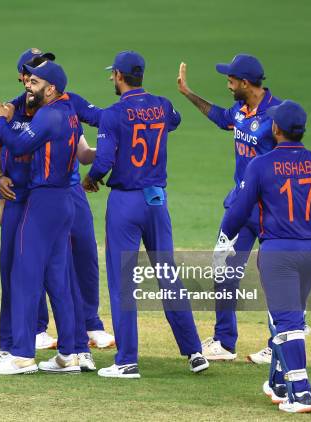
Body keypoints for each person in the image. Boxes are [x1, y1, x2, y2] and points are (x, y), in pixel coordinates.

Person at [214, 100, 311, 413]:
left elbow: (239, 209)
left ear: (276, 129)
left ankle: (301, 392)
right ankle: (279, 383)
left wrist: (225, 239)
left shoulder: (261, 165)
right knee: (286, 314)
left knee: (287, 320)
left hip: (278, 251)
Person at [83, 51, 209, 378]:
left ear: (121, 76)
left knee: (123, 282)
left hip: (126, 202)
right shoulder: (163, 105)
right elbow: (175, 121)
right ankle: (195, 352)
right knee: (168, 276)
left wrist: (91, 179)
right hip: (156, 201)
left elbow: (104, 161)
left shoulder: (113, 114)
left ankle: (127, 360)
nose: (112, 78)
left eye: (114, 74)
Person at [7, 51, 115, 350]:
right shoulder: (15, 107)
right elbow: (5, 152)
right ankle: (43, 331)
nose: (39, 73)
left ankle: (88, 325)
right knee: (43, 264)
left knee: (82, 255)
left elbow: (102, 123)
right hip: (36, 192)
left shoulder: (67, 102)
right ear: (23, 77)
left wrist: (107, 149)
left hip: (68, 191)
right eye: (34, 69)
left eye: (43, 67)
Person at [177, 54, 282, 363]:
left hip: (270, 209)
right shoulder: (240, 109)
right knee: (224, 269)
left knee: (275, 274)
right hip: (240, 205)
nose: (227, 84)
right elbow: (222, 116)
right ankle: (224, 341)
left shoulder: (276, 114)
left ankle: (278, 341)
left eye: (231, 80)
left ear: (245, 83)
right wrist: (188, 93)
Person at [0, 61, 82, 375]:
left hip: (43, 201)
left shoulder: (49, 115)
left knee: (24, 276)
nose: (28, 84)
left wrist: (1, 121)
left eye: (36, 82)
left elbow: (18, 143)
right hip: (64, 200)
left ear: (51, 88)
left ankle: (23, 355)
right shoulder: (69, 113)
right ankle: (69, 354)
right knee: (57, 280)